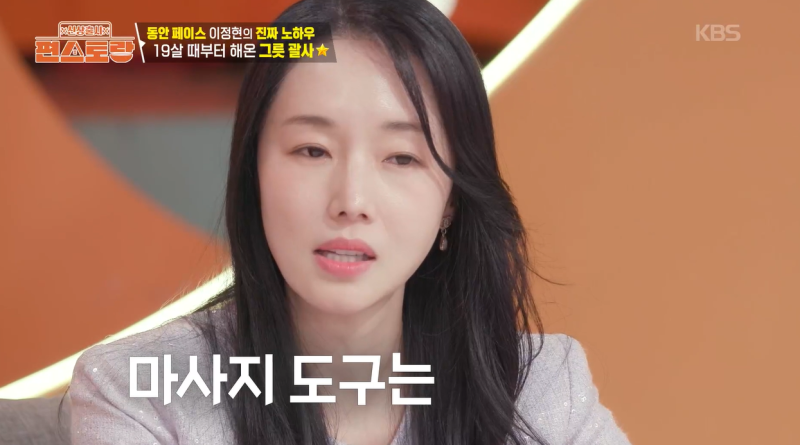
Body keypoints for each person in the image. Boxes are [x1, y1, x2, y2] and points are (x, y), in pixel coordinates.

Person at [65, 0, 632, 444]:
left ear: (452, 203)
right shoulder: (141, 391)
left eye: (401, 158)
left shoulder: (538, 386)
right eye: (312, 150)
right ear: (253, 174)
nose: (351, 200)